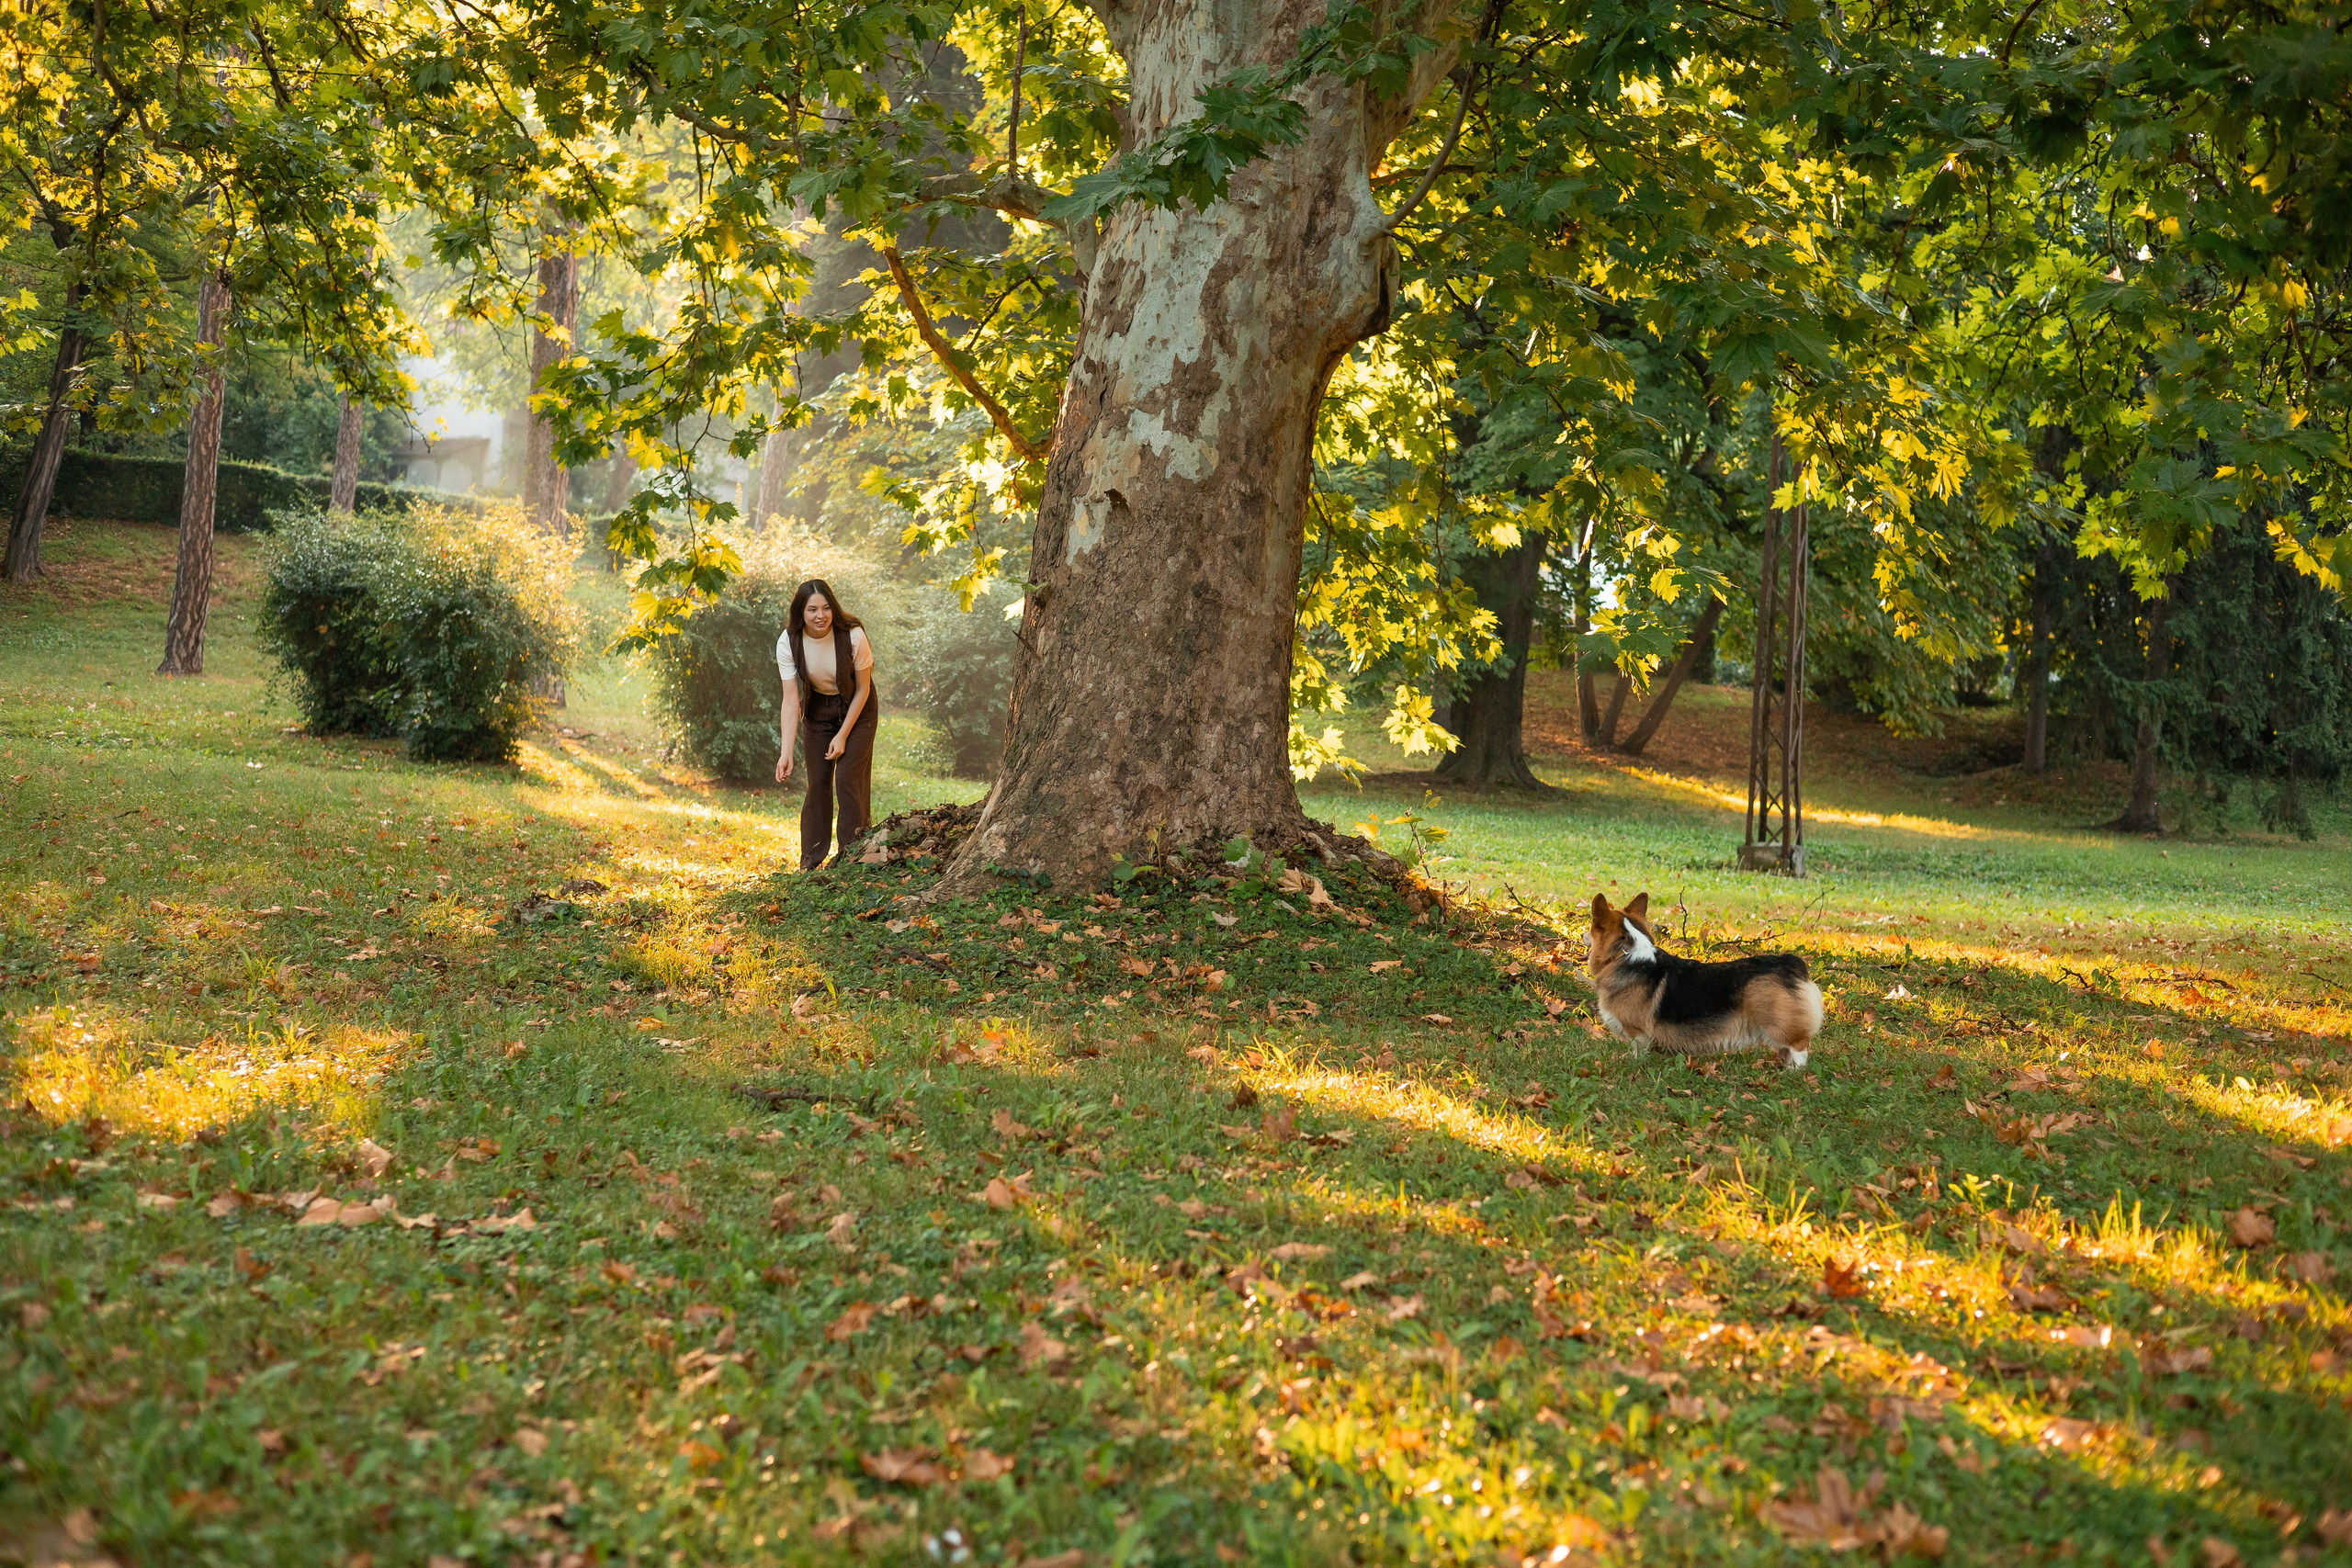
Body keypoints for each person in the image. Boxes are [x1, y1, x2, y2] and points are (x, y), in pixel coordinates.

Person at [775, 579, 877, 869]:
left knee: (847, 780)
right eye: (812, 610)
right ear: (801, 613)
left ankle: (853, 859)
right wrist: (785, 753)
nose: (821, 616)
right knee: (818, 783)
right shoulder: (789, 642)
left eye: (826, 608)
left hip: (859, 710)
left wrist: (844, 735)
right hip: (819, 710)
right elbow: (790, 700)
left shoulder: (853, 636)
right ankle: (811, 861)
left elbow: (863, 689)